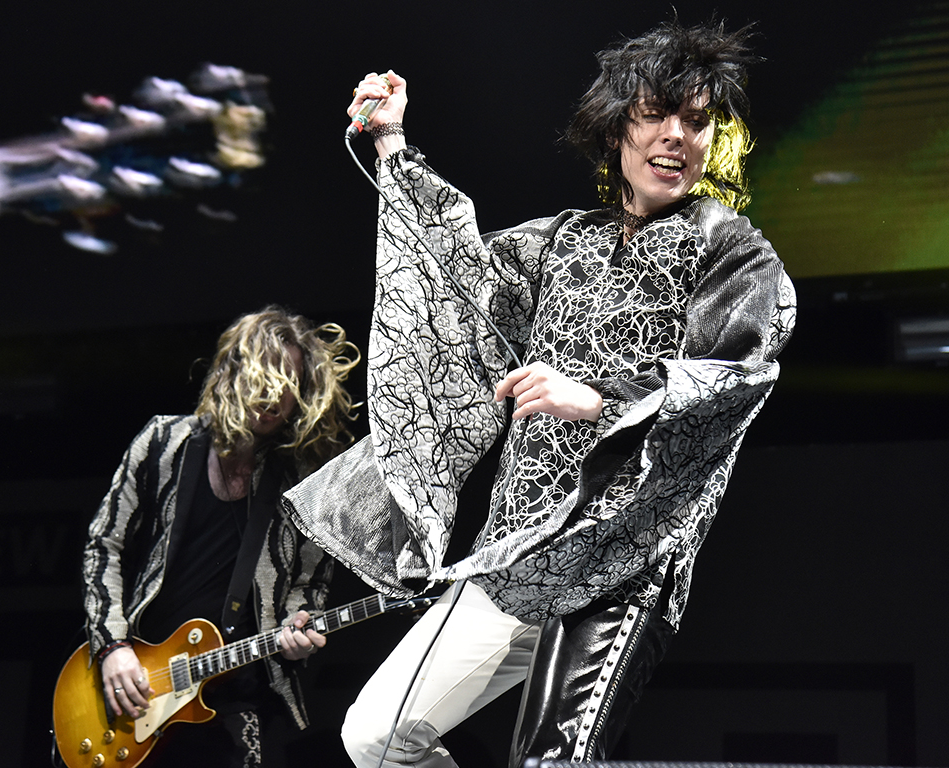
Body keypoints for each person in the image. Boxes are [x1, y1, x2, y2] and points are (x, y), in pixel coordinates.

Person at [281, 19, 797, 768]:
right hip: (515, 556)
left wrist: (599, 398)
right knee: (376, 737)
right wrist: (393, 144)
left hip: (619, 559)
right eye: (656, 113)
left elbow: (737, 372)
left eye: (697, 121)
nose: (676, 137)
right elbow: (455, 284)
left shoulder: (732, 249)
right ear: (617, 126)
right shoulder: (562, 241)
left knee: (550, 761)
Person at [81, 305, 360, 767]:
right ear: (232, 373)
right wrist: (112, 646)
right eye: (263, 375)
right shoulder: (161, 443)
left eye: (288, 382)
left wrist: (299, 626)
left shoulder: (305, 480)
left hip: (234, 698)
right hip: (138, 684)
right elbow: (103, 546)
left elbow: (309, 584)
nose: (273, 395)